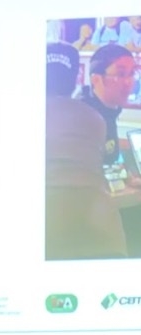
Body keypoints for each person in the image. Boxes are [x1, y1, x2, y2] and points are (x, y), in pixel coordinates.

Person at [45, 40, 128, 260]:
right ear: (78, 77)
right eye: (121, 74)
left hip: (45, 236)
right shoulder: (94, 117)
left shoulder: (18, 114)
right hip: (102, 233)